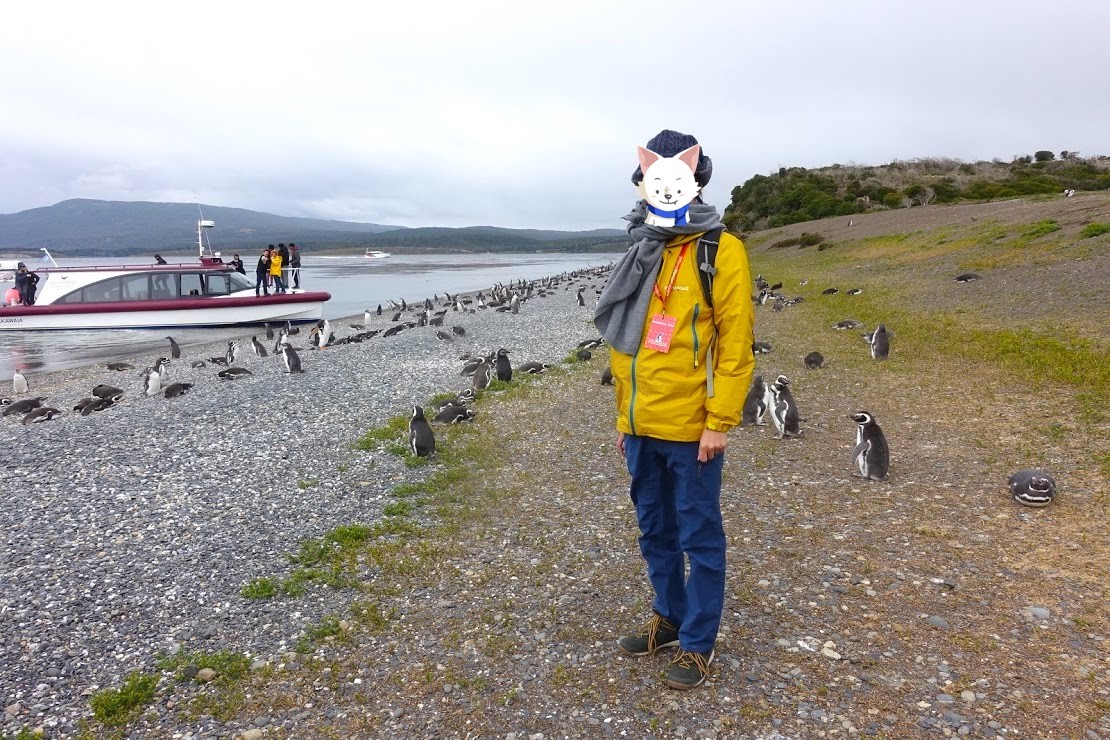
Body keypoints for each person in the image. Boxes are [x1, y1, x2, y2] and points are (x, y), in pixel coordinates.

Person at [594, 129, 755, 691]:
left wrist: (719, 422)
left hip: (691, 430)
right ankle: (668, 616)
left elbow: (736, 346)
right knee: (654, 531)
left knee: (700, 537)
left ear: (696, 180)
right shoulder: (641, 248)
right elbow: (628, 348)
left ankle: (698, 642)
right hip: (641, 426)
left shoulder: (719, 250)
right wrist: (623, 420)